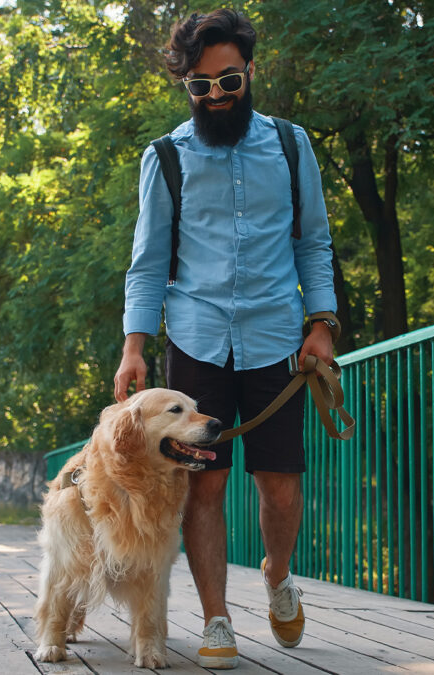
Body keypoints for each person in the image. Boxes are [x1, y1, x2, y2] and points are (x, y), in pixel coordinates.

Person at [113, 8, 338, 670]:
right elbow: (148, 262)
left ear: (249, 71)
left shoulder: (293, 147)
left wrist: (320, 324)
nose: (215, 95)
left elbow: (314, 243)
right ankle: (216, 617)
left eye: (228, 81)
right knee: (204, 488)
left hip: (275, 340)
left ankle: (276, 571)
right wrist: (134, 346)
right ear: (186, 85)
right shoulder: (166, 158)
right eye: (201, 85)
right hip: (196, 342)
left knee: (281, 486)